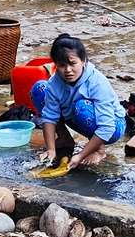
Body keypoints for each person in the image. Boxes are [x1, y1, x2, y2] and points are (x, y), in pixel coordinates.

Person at [32, 33, 125, 169]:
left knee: (82, 107)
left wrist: (80, 155)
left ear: (83, 61)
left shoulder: (96, 82)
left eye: (73, 63)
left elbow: (107, 127)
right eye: (62, 65)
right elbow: (49, 116)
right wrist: (51, 150)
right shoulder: (55, 83)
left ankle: (99, 150)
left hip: (113, 125)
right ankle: (65, 138)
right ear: (56, 65)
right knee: (40, 89)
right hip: (76, 115)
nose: (68, 70)